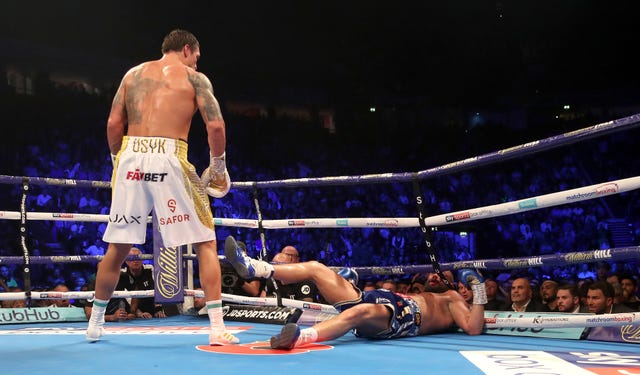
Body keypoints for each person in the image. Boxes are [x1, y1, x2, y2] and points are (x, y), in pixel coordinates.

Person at [86, 29, 238, 345]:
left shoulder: (133, 74)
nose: (197, 63)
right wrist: (218, 165)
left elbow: (114, 124)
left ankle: (95, 323)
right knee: (206, 240)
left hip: (130, 157)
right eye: (196, 56)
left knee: (117, 247)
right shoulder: (196, 79)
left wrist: (119, 160)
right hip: (170, 156)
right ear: (186, 49)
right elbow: (216, 125)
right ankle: (217, 328)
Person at [224, 236, 485, 350]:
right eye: (433, 273)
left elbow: (473, 328)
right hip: (377, 301)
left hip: (401, 318)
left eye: (443, 276)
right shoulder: (420, 291)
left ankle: (298, 339)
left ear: (454, 286)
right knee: (316, 268)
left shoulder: (451, 299)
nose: (435, 276)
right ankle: (254, 268)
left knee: (359, 312)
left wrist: (478, 288)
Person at [121, 247, 166, 319]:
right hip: (133, 312)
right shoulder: (123, 274)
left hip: (153, 309)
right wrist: (138, 312)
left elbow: (158, 289)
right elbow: (126, 297)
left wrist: (158, 310)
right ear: (126, 261)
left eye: (138, 258)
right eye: (132, 258)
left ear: (143, 259)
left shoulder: (150, 269)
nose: (135, 261)